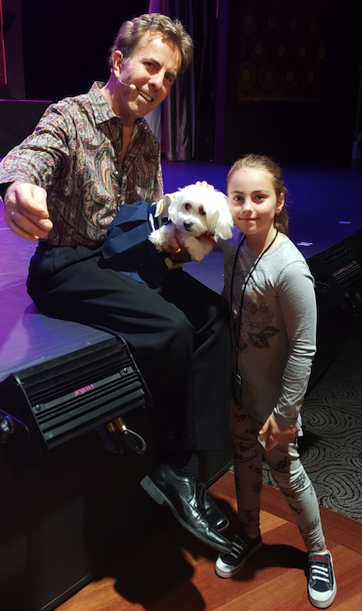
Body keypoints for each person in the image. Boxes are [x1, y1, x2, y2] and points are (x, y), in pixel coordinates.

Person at [0, 13, 232, 554]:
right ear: (118, 61)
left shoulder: (148, 141)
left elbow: (149, 212)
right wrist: (18, 188)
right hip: (66, 265)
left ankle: (204, 452)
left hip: (122, 256)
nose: (157, 83)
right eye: (150, 66)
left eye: (169, 76)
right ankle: (174, 467)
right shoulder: (72, 116)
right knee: (171, 326)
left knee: (213, 315)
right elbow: (30, 155)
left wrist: (172, 239)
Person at [215, 154, 337, 608]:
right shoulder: (237, 247)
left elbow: (305, 348)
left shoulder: (289, 269)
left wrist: (287, 416)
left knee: (287, 475)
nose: (248, 207)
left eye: (259, 197)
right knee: (243, 461)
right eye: (238, 198)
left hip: (274, 403)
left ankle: (320, 552)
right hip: (240, 392)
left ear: (279, 201)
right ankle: (249, 533)